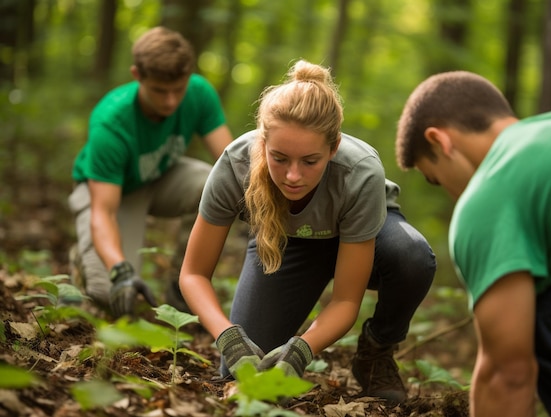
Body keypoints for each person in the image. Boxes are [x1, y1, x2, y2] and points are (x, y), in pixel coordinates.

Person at [179, 59, 436, 403]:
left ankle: (376, 352)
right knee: (243, 370)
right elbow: (194, 273)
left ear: (333, 147)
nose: (293, 176)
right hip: (289, 243)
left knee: (413, 256)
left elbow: (346, 299)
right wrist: (228, 336)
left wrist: (302, 350)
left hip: (365, 238)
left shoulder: (359, 171)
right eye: (279, 158)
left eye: (310, 161)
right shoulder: (235, 164)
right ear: (262, 143)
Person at [395, 70, 551, 416]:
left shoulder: (491, 189)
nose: (452, 194)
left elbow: (507, 374)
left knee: (544, 319)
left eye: (435, 178)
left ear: (440, 141)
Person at [68, 26, 233, 318]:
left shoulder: (199, 93)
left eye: (177, 90)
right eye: (159, 91)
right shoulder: (112, 122)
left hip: (161, 176)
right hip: (110, 192)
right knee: (108, 293)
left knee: (219, 185)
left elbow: (232, 163)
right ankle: (84, 260)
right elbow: (103, 212)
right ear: (137, 75)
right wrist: (120, 271)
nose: (170, 101)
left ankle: (183, 293)